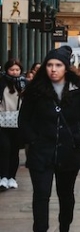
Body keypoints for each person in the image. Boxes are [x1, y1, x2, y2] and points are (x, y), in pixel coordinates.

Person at [19, 45, 80, 232]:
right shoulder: (36, 92)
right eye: (49, 65)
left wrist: (77, 138)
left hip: (69, 153)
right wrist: (34, 140)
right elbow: (24, 120)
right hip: (41, 153)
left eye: (58, 65)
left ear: (66, 68)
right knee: (41, 195)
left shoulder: (78, 92)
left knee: (66, 196)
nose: (53, 69)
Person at [0, 59, 27, 191]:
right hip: (2, 120)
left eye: (17, 70)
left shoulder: (24, 84)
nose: (15, 72)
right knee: (4, 149)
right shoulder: (2, 82)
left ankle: (12, 177)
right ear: (7, 70)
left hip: (18, 121)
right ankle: (3, 177)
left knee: (14, 151)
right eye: (12, 70)